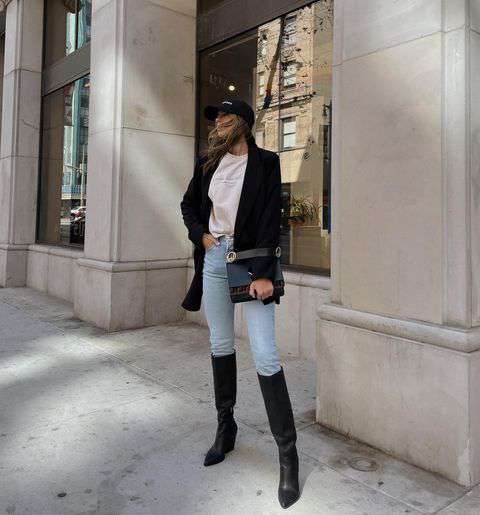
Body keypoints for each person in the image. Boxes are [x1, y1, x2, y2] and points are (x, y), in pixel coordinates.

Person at [180, 99, 300, 509]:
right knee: (220, 344)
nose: (218, 121)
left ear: (244, 123)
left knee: (265, 353)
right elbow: (188, 205)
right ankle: (225, 428)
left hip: (251, 262)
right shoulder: (207, 163)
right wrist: (201, 236)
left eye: (225, 116)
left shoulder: (266, 162)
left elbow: (271, 216)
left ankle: (287, 455)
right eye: (215, 117)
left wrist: (264, 272)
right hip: (215, 258)